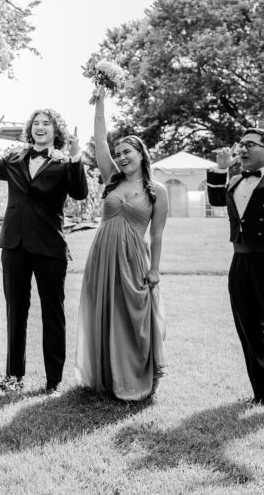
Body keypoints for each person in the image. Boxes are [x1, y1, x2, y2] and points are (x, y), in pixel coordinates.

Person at [74, 87, 169, 400]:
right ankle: (107, 375)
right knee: (104, 313)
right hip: (102, 255)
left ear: (141, 154)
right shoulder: (111, 179)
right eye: (119, 153)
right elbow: (100, 140)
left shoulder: (157, 191)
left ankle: (135, 378)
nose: (121, 156)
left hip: (133, 259)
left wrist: (154, 269)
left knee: (133, 317)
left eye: (128, 151)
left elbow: (156, 235)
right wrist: (100, 103)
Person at [0, 107, 88, 394]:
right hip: (14, 244)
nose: (40, 127)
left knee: (53, 314)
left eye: (47, 123)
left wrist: (77, 155)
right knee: (15, 311)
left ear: (56, 131)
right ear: (30, 129)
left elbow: (80, 193)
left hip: (49, 246)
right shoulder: (14, 158)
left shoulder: (65, 163)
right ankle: (14, 377)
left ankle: (53, 382)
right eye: (36, 123)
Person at [207, 127, 264, 416]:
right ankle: (263, 393)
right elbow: (216, 202)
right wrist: (220, 170)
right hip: (240, 263)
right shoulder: (235, 178)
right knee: (248, 329)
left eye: (251, 144)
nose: (243, 149)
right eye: (242, 144)